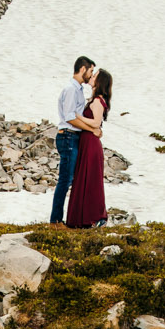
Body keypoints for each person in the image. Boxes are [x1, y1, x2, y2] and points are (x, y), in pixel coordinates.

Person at [63, 69, 112, 230]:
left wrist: (77, 116)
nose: (91, 77)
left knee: (90, 179)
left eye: (95, 76)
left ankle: (93, 217)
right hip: (87, 142)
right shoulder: (95, 99)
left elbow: (96, 123)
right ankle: (82, 218)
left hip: (91, 143)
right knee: (84, 178)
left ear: (99, 82)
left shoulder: (97, 100)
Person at [51, 57, 96, 226]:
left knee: (69, 178)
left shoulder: (77, 90)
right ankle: (55, 220)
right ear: (83, 69)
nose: (90, 75)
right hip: (68, 136)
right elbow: (70, 117)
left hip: (72, 137)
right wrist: (91, 129)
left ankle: (65, 218)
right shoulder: (71, 89)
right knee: (65, 179)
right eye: (90, 71)